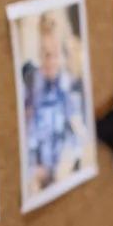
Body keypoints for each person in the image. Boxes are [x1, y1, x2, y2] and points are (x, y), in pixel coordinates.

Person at [24, 11, 86, 193]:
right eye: (45, 55)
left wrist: (69, 160)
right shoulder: (33, 89)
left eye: (55, 55)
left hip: (62, 169)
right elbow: (30, 135)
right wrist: (35, 169)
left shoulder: (67, 89)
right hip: (40, 169)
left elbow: (78, 130)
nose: (50, 61)